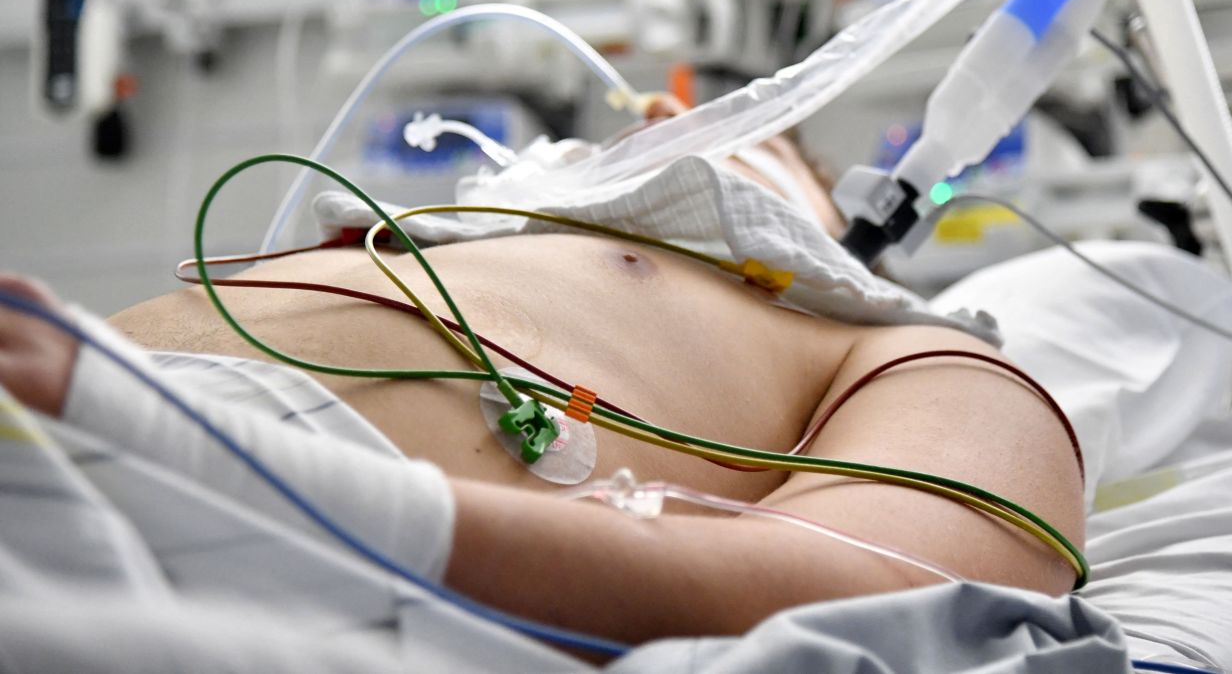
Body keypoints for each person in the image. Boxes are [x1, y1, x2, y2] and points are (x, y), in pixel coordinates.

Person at [0, 108, 1084, 648]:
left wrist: (210, 458)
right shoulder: (425, 233)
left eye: (759, 130)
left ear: (829, 208)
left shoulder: (893, 343)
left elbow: (858, 584)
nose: (664, 116)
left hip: (262, 508)